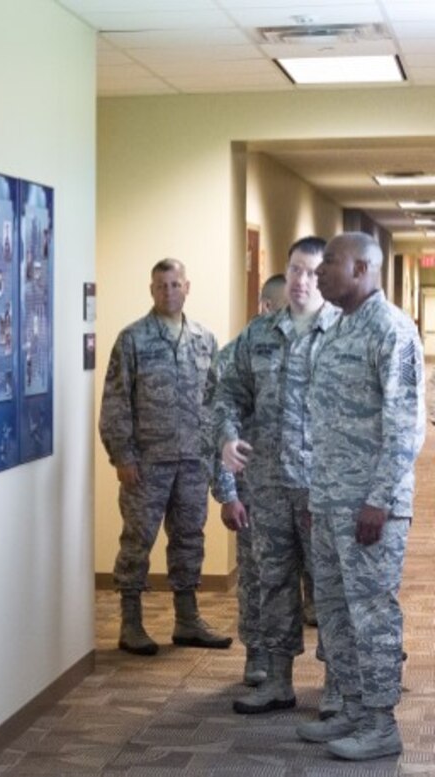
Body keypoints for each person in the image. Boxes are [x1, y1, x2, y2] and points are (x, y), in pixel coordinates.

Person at [293, 232, 424, 760]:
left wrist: (380, 500)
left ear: (364, 269)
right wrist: (314, 494)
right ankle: (349, 706)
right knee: (335, 612)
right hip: (328, 501)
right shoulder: (338, 328)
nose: (320, 272)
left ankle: (379, 721)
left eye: (331, 264)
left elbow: (404, 428)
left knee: (371, 613)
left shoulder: (391, 331)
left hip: (370, 506)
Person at [214, 237, 340, 715]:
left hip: (323, 487)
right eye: (294, 271)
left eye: (311, 272)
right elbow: (227, 394)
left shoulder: (343, 333)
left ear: (324, 277)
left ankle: (336, 686)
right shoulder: (259, 334)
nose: (302, 281)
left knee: (327, 585)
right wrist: (226, 438)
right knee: (273, 582)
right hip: (267, 485)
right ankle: (278, 681)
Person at [99, 258, 231, 655]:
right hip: (146, 462)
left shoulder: (204, 339)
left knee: (190, 538)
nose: (168, 292)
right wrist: (122, 454)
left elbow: (216, 401)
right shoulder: (132, 339)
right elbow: (115, 401)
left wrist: (216, 453)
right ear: (151, 289)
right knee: (138, 540)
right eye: (161, 285)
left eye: (175, 284)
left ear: (187, 287)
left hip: (193, 459)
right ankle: (131, 622)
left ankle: (187, 620)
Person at [207, 272, 287, 687]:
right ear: (266, 306)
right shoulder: (236, 355)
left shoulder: (314, 346)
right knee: (257, 576)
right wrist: (227, 494)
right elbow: (219, 428)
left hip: (303, 489)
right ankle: (256, 653)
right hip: (255, 488)